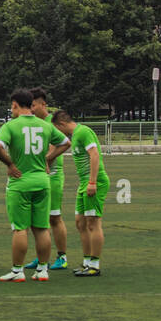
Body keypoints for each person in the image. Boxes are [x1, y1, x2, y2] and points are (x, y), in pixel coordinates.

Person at [0, 88, 70, 282]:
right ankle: (43, 270)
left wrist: (10, 164)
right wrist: (48, 159)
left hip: (20, 182)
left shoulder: (11, 126)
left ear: (16, 105)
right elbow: (66, 142)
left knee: (20, 229)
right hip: (42, 181)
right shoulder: (45, 125)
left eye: (12, 106)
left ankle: (17, 271)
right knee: (42, 228)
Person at [51, 110, 108, 277]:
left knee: (93, 222)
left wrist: (92, 182)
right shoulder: (74, 136)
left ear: (61, 125)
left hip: (94, 182)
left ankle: (95, 265)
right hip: (83, 183)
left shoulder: (83, 132)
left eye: (57, 129)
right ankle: (87, 261)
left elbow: (94, 154)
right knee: (80, 223)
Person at [30, 87, 69, 270]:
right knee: (38, 219)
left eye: (33, 105)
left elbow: (58, 145)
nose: (30, 109)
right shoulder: (31, 122)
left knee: (54, 217)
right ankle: (41, 256)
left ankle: (62, 256)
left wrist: (45, 160)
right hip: (37, 175)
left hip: (52, 175)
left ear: (43, 104)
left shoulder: (50, 122)